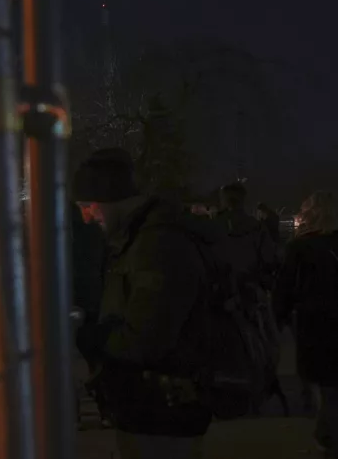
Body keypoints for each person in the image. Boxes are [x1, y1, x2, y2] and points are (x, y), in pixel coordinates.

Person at [74, 148, 211, 459]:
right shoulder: (138, 240)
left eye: (87, 205)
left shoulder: (157, 246)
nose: (85, 216)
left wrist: (86, 336)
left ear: (111, 199)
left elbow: (146, 340)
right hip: (150, 406)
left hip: (164, 411)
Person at [274, 191, 338, 456]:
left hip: (315, 322)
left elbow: (284, 289)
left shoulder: (300, 247)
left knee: (325, 380)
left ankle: (327, 434)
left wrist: (278, 319)